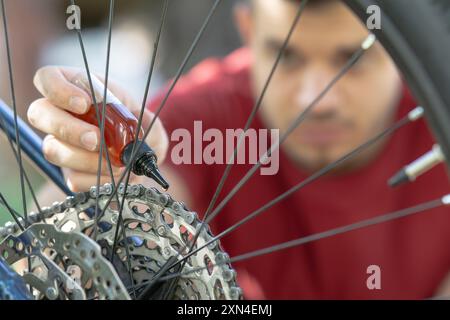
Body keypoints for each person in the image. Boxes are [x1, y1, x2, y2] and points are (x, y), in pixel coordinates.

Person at [28, 0, 450, 299]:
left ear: (402, 52)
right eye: (286, 56)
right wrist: (107, 187)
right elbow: (64, 238)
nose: (316, 99)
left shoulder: (438, 114)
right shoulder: (203, 114)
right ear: (248, 31)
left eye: (351, 61)